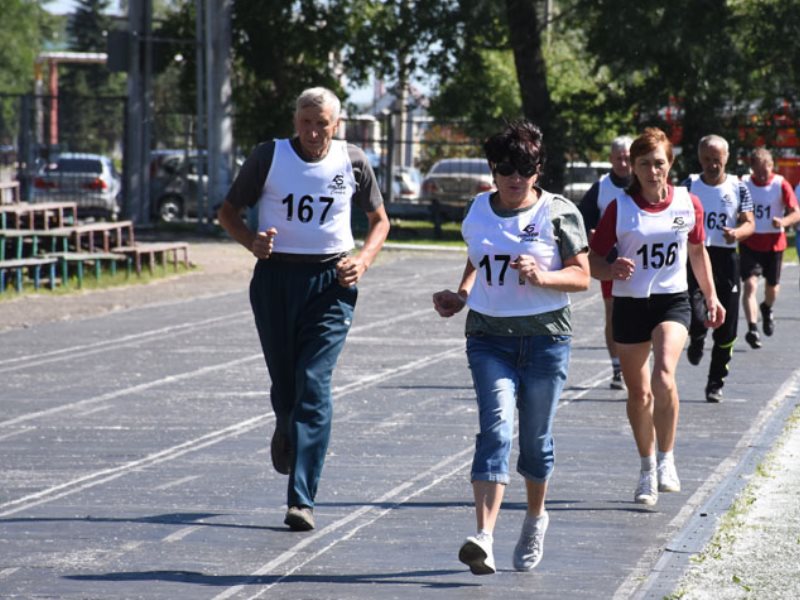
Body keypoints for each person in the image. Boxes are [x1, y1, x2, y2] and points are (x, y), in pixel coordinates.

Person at [217, 87, 390, 531]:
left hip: (330, 283)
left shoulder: (352, 160)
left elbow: (379, 220)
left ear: (337, 125)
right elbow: (229, 212)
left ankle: (302, 498)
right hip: (276, 279)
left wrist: (363, 261)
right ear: (295, 122)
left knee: (314, 383)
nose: (313, 132)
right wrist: (251, 240)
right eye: (306, 123)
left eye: (322, 124)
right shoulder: (268, 157)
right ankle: (285, 419)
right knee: (287, 384)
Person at [432, 120, 590, 575]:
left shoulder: (558, 212)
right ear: (492, 170)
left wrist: (543, 277)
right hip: (488, 340)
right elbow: (477, 253)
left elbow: (581, 276)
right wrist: (462, 294)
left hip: (545, 340)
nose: (515, 177)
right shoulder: (478, 209)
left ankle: (536, 517)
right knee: (496, 430)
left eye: (525, 167)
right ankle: (483, 537)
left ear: (538, 168)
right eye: (506, 168)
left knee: (535, 443)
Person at [588, 128, 725, 506]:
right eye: (644, 164)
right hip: (631, 304)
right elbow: (592, 261)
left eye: (659, 164)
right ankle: (646, 468)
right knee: (639, 392)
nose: (652, 172)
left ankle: (668, 459)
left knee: (664, 373)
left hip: (672, 300)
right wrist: (611, 268)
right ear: (632, 167)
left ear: (671, 164)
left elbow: (697, 253)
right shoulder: (620, 208)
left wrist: (711, 296)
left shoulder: (687, 202)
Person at [682, 135, 754, 403]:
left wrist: (737, 233)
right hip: (695, 256)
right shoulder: (689, 185)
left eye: (718, 160)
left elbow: (750, 222)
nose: (713, 165)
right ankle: (697, 335)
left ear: (726, 159)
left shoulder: (738, 187)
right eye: (708, 160)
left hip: (725, 258)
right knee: (693, 309)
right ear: (700, 159)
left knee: (728, 327)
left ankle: (715, 383)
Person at [579, 136, 633, 390]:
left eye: (627, 157)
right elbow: (582, 219)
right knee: (612, 312)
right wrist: (591, 236)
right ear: (611, 159)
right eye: (619, 157)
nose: (623, 162)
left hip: (640, 259)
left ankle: (640, 361)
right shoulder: (601, 187)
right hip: (610, 260)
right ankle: (617, 367)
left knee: (645, 312)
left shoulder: (645, 182)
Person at [740, 148, 800, 348]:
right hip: (750, 242)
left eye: (766, 171)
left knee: (772, 288)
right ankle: (752, 329)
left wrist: (783, 221)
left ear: (771, 166)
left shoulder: (780, 184)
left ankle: (766, 308)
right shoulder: (744, 183)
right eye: (759, 173)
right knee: (749, 285)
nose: (763, 176)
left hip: (774, 243)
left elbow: (796, 213)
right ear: (753, 169)